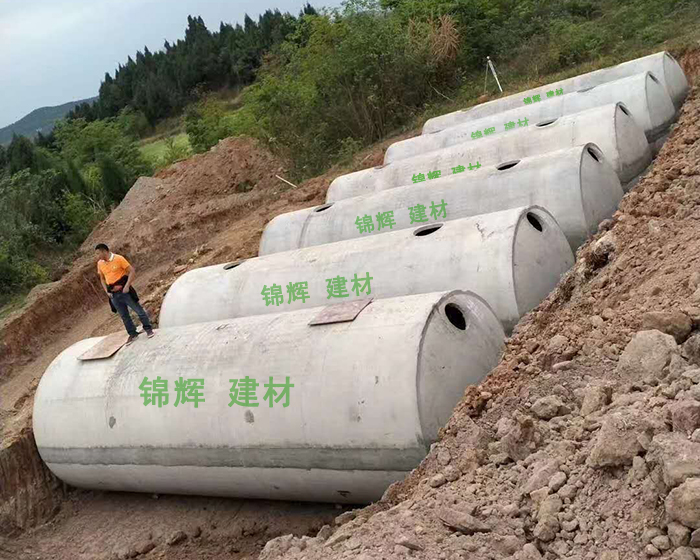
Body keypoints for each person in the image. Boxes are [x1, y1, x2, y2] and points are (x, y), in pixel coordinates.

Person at [95, 243, 155, 344]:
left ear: (104, 251)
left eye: (98, 253)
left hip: (124, 291)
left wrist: (127, 286)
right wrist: (107, 292)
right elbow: (102, 279)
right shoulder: (100, 263)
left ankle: (148, 329)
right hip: (113, 294)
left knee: (138, 310)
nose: (97, 256)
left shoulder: (119, 259)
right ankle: (132, 334)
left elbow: (131, 271)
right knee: (124, 315)